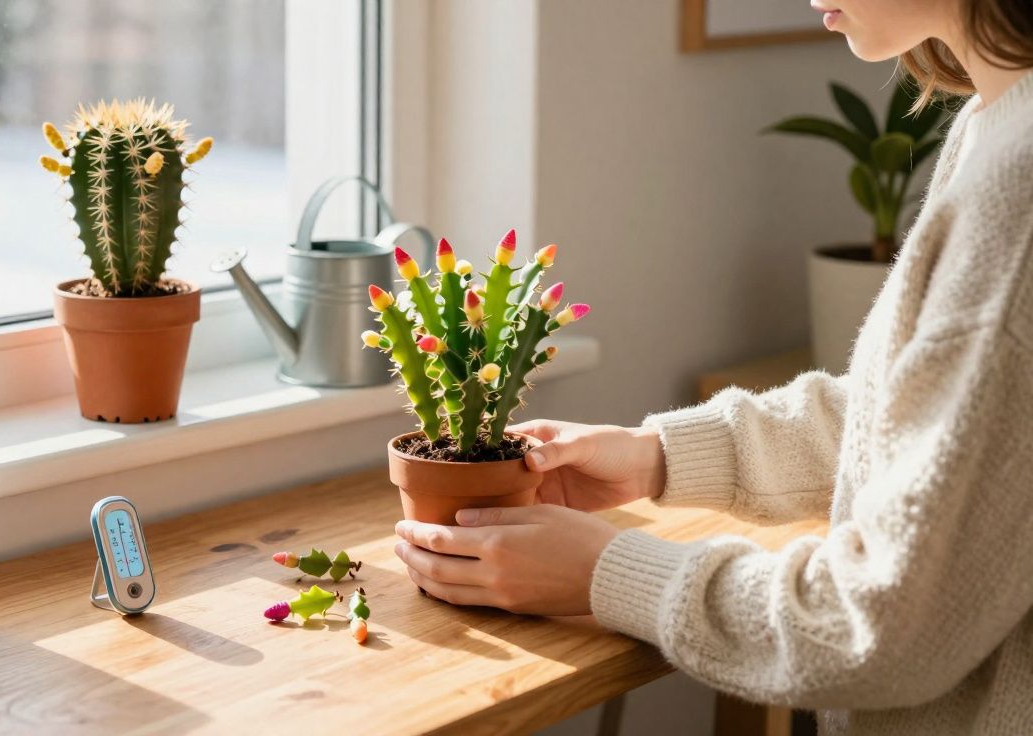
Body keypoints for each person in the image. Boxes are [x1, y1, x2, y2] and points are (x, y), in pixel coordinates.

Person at [393, 1, 1033, 732]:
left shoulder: (1017, 194)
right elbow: (925, 423)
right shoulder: (997, 119)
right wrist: (659, 458)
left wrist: (609, 572)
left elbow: (885, 627)